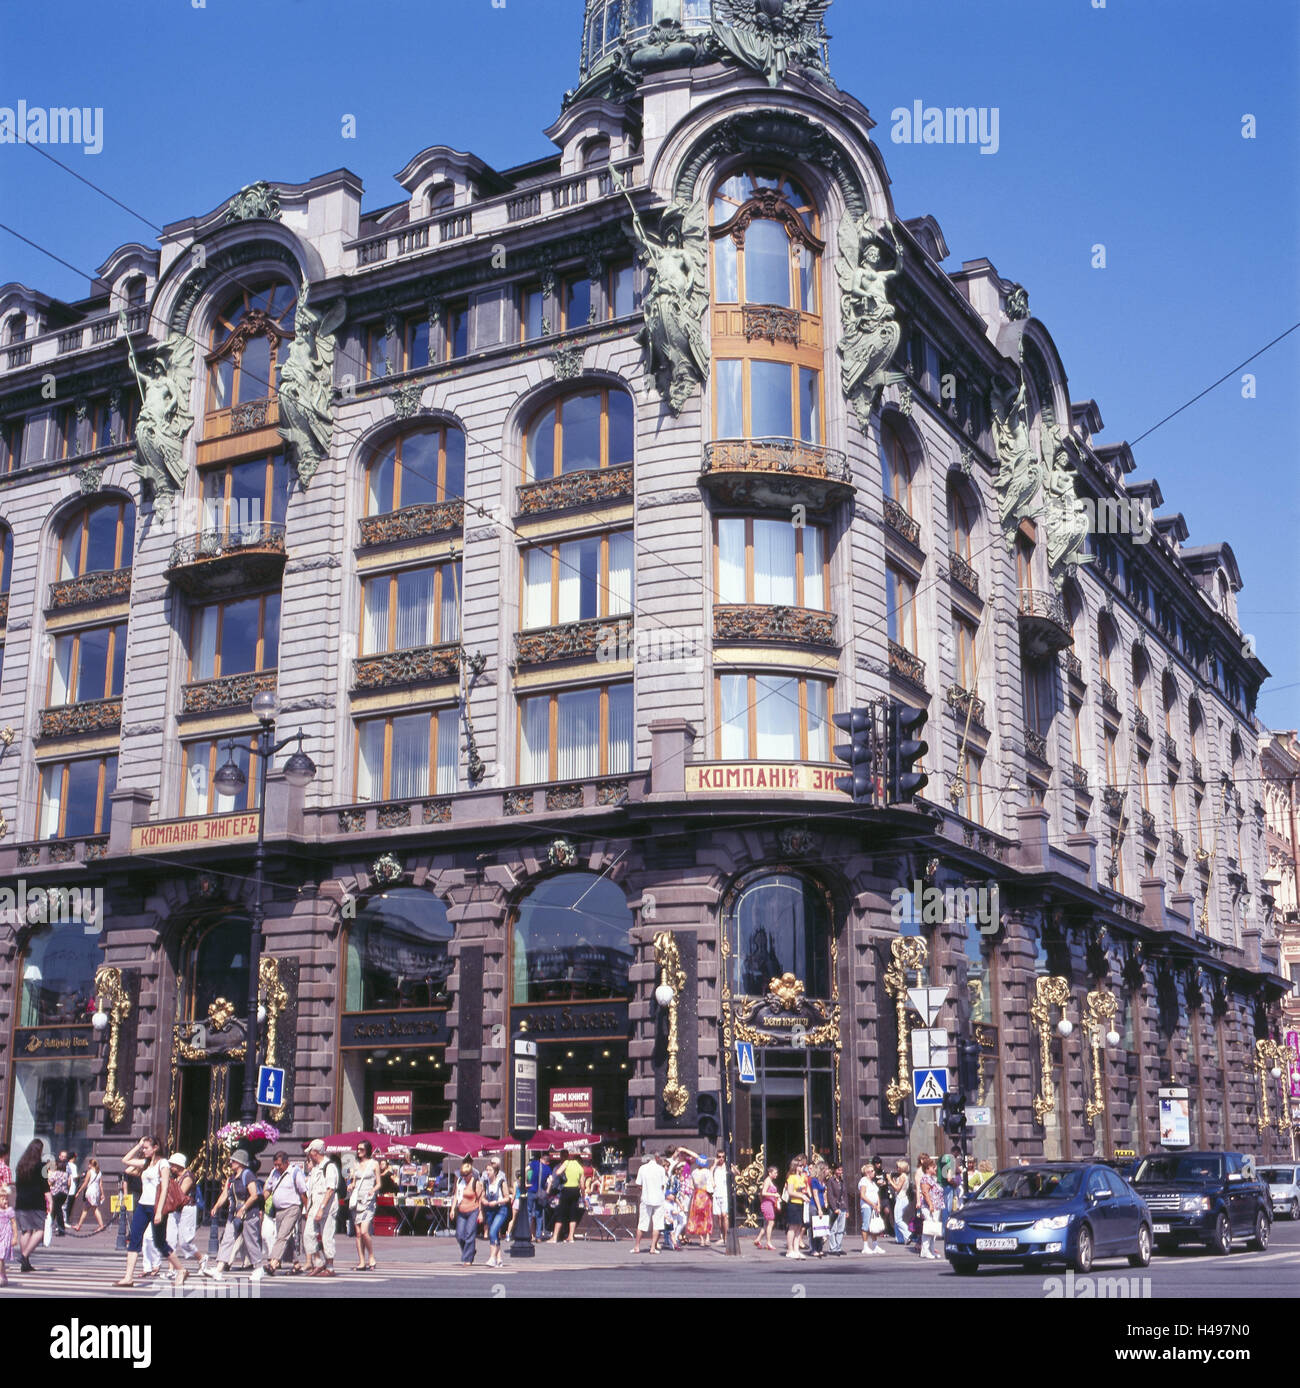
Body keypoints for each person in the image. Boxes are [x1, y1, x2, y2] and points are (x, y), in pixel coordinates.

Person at [116, 1135, 188, 1288]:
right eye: (143, 1148)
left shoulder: (163, 1164)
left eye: (146, 1147)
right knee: (135, 1239)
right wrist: (138, 1145)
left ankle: (181, 1270)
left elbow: (165, 1189)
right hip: (142, 1205)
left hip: (156, 1207)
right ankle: (128, 1277)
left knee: (160, 1243)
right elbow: (125, 1160)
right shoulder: (146, 1163)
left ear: (155, 1148)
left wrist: (159, 1211)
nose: (144, 1150)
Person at [204, 1149, 265, 1281]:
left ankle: (259, 1268)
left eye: (234, 1160)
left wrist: (244, 1208)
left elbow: (254, 1195)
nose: (230, 1162)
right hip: (234, 1215)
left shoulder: (247, 1175)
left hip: (249, 1214)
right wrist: (216, 1206)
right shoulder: (231, 1178)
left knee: (251, 1241)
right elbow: (225, 1194)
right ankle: (219, 1269)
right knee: (227, 1240)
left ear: (241, 1163)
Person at [265, 1151, 307, 1275]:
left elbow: (303, 1192)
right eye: (275, 1165)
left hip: (292, 1208)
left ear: (286, 1163)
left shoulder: (295, 1172)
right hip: (279, 1211)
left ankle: (273, 1263)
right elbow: (268, 1189)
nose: (277, 1167)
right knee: (286, 1238)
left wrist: (306, 1209)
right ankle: (296, 1264)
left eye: (279, 1165)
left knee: (282, 1236)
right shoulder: (274, 1172)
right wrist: (261, 1200)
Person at [303, 1139, 339, 1277]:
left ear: (315, 1152)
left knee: (327, 1237)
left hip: (327, 1208)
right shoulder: (316, 1167)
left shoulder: (329, 1167)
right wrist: (309, 1209)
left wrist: (322, 1208)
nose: (309, 1155)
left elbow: (330, 1190)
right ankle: (318, 1262)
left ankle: (330, 1267)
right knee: (308, 1235)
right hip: (314, 1207)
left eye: (310, 1152)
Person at [14, 1140, 49, 1273]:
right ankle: (24, 1256)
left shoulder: (20, 1165)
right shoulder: (43, 1167)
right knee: (40, 1231)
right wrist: (50, 1202)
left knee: (26, 1231)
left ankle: (25, 1263)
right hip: (36, 1203)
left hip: (21, 1202)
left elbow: (17, 1184)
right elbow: (46, 1186)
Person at [348, 1140, 380, 1272]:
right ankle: (361, 1261)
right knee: (358, 1233)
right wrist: (350, 1185)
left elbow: (378, 1183)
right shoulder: (355, 1165)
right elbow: (354, 1182)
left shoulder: (374, 1164)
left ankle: (371, 1257)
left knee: (364, 1231)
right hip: (357, 1200)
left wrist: (373, 1190)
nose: (359, 1151)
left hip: (368, 1201)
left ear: (367, 1150)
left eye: (361, 1149)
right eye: (358, 1149)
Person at [164, 1154, 198, 1263]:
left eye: (173, 1165)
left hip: (187, 1209)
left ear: (179, 1165)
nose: (171, 1167)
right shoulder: (174, 1177)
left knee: (185, 1242)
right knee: (170, 1240)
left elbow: (180, 1194)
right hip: (174, 1210)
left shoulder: (188, 1177)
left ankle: (201, 1258)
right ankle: (172, 1269)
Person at [633, 1150, 668, 1255]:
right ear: (656, 1157)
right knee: (657, 1224)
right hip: (658, 1199)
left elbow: (638, 1184)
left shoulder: (642, 1168)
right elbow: (663, 1185)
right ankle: (653, 1248)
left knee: (642, 1223)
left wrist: (645, 1189)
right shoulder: (661, 1169)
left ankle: (637, 1246)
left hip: (646, 1198)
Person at [481, 1158, 510, 1269]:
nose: (487, 1173)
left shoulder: (501, 1182)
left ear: (495, 1172)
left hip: (501, 1209)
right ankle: (499, 1259)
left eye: (489, 1170)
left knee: (492, 1231)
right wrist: (485, 1202)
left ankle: (492, 1258)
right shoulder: (485, 1183)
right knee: (494, 1235)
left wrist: (497, 1201)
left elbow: (507, 1198)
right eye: (486, 1170)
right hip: (490, 1209)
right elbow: (482, 1197)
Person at [454, 1158, 483, 1267]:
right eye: (462, 1175)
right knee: (459, 1235)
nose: (464, 1177)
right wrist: (452, 1209)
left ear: (471, 1174)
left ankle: (468, 1259)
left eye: (466, 1175)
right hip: (461, 1211)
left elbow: (480, 1198)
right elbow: (456, 1196)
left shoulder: (476, 1183)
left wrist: (480, 1213)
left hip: (472, 1210)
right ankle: (470, 1251)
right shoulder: (460, 1182)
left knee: (469, 1234)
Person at [555, 1149, 584, 1244]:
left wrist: (564, 1177)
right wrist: (583, 1197)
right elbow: (582, 1185)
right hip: (576, 1190)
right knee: (573, 1214)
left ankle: (554, 1237)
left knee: (561, 1212)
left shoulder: (567, 1163)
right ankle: (570, 1236)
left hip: (566, 1189)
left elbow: (558, 1172)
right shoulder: (580, 1168)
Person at [918, 1155, 944, 1260]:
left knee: (933, 1230)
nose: (935, 1169)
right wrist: (930, 1205)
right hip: (929, 1207)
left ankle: (931, 1250)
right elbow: (925, 1192)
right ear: (927, 1168)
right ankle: (925, 1251)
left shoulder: (932, 1178)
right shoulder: (925, 1178)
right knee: (929, 1229)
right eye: (933, 1167)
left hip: (936, 1206)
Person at [782, 1158, 809, 1259]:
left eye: (803, 1166)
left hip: (801, 1204)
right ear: (795, 1167)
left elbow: (804, 1189)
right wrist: (801, 1195)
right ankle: (790, 1250)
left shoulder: (802, 1177)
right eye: (800, 1166)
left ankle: (796, 1249)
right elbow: (790, 1192)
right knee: (792, 1227)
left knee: (798, 1227)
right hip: (793, 1204)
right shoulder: (791, 1177)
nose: (802, 1168)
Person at [685, 1155, 713, 1246]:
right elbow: (711, 1185)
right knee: (707, 1216)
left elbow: (691, 1185)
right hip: (705, 1195)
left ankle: (702, 1239)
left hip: (697, 1195)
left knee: (698, 1217)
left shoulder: (694, 1172)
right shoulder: (707, 1172)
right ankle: (707, 1238)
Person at [526, 1148, 552, 1242]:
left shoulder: (534, 1163)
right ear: (547, 1162)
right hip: (540, 1193)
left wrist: (525, 1182)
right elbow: (551, 1180)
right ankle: (538, 1236)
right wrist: (547, 1191)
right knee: (539, 1214)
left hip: (531, 1190)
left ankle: (527, 1235)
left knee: (528, 1213)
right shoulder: (548, 1168)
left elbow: (526, 1169)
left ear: (541, 1159)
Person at [73, 1158, 105, 1232]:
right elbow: (100, 1184)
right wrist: (102, 1194)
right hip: (96, 1192)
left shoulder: (90, 1172)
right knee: (89, 1208)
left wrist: (78, 1191)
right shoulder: (99, 1172)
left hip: (90, 1192)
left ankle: (101, 1225)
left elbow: (85, 1183)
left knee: (91, 1209)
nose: (88, 1165)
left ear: (91, 1164)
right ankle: (79, 1225)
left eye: (89, 1164)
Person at [859, 1161, 884, 1255]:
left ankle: (875, 1245)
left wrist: (878, 1205)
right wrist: (872, 1204)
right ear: (867, 1172)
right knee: (866, 1225)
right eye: (872, 1171)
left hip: (874, 1207)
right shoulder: (864, 1181)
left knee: (873, 1226)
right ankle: (865, 1246)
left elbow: (876, 1194)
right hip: (866, 1206)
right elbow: (862, 1195)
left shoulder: (872, 1183)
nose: (874, 1172)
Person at [755, 1167, 779, 1251]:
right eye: (775, 1173)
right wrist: (774, 1195)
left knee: (767, 1224)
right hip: (767, 1204)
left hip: (770, 1203)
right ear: (770, 1173)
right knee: (771, 1222)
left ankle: (758, 1239)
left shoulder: (769, 1181)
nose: (776, 1174)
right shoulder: (767, 1181)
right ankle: (768, 1242)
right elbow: (763, 1193)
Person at [825, 1163, 847, 1256]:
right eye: (838, 1170)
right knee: (833, 1229)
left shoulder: (842, 1181)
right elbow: (830, 1195)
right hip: (834, 1208)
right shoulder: (830, 1181)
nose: (840, 1172)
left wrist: (847, 1210)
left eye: (841, 1170)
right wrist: (834, 1208)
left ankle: (838, 1247)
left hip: (842, 1207)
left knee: (841, 1229)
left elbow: (845, 1196)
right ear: (834, 1170)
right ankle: (833, 1248)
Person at [889, 1159, 912, 1246]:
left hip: (901, 1198)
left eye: (898, 1167)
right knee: (897, 1220)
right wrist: (893, 1180)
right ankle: (900, 1238)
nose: (897, 1168)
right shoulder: (903, 1176)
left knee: (898, 1220)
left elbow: (897, 1188)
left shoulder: (902, 1176)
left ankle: (908, 1234)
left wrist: (890, 1181)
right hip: (901, 1198)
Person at [808, 1162, 828, 1258]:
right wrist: (819, 1208)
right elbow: (815, 1194)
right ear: (822, 1170)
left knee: (821, 1228)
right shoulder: (814, 1180)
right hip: (814, 1206)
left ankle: (820, 1248)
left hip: (822, 1205)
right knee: (814, 1228)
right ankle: (814, 1249)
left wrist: (825, 1202)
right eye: (826, 1169)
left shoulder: (823, 1181)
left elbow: (824, 1193)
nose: (828, 1171)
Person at [47, 1153, 70, 1236]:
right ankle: (52, 1226)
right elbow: (68, 1183)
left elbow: (50, 1182)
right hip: (64, 1194)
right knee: (56, 1210)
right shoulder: (65, 1174)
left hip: (56, 1194)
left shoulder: (55, 1173)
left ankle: (60, 1229)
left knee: (57, 1211)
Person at [711, 1151, 730, 1246]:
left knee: (724, 1215)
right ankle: (722, 1236)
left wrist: (733, 1167)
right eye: (719, 1157)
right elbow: (709, 1173)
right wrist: (714, 1163)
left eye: (723, 1157)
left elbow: (737, 1173)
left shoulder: (727, 1167)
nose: (721, 1158)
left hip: (725, 1194)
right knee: (718, 1217)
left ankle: (726, 1238)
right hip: (716, 1194)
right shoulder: (715, 1168)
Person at [0, 1185, 14, 1285]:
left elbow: (14, 1223)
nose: (5, 1201)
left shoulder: (9, 1211)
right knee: (1, 1259)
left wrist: (16, 1237)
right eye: (3, 1198)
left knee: (0, 1257)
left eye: (6, 1198)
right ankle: (3, 1276)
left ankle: (1, 1276)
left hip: (5, 1236)